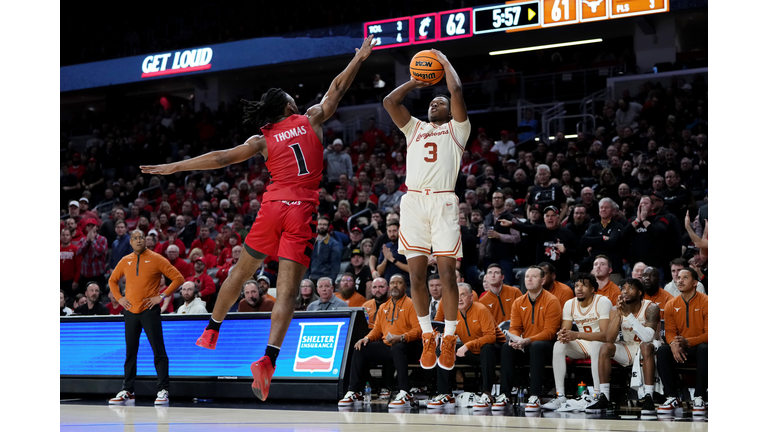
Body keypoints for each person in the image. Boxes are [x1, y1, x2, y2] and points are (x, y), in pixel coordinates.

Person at [140, 35, 376, 402]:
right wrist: (358, 59)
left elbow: (220, 158)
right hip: (302, 208)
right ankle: (268, 360)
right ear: (289, 105)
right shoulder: (312, 118)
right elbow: (337, 88)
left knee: (240, 272)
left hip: (273, 206)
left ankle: (212, 330)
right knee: (287, 291)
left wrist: (175, 167)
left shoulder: (262, 139)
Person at [382, 48, 470, 372]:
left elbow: (455, 89)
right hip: (414, 202)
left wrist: (443, 62)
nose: (435, 104)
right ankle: (427, 335)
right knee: (416, 276)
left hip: (443, 201)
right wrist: (413, 82)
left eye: (440, 103)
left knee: (447, 275)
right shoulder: (414, 128)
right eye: (432, 102)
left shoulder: (458, 130)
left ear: (449, 111)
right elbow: (389, 102)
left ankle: (449, 336)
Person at [108, 229, 185, 406]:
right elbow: (112, 280)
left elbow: (178, 278)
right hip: (130, 311)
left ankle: (163, 390)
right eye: (134, 238)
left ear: (146, 240)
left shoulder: (157, 258)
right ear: (130, 242)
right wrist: (120, 298)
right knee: (130, 352)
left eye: (141, 238)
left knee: (158, 350)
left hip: (149, 310)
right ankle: (128, 390)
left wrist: (162, 296)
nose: (138, 240)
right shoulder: (125, 260)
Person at [338, 274, 422, 409]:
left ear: (405, 287)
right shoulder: (383, 307)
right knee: (361, 348)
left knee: (397, 348)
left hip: (410, 345)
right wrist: (367, 338)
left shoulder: (412, 304)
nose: (395, 285)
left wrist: (401, 337)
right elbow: (377, 330)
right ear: (389, 287)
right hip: (390, 345)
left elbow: (418, 330)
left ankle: (405, 392)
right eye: (393, 283)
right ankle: (355, 391)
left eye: (399, 283)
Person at [585, 278, 660, 414]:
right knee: (605, 347)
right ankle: (604, 397)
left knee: (646, 346)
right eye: (623, 288)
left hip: (650, 348)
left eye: (630, 288)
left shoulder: (651, 307)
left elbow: (648, 338)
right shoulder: (616, 309)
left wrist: (629, 315)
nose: (625, 291)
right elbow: (609, 338)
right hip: (629, 346)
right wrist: (619, 314)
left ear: (640, 292)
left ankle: (649, 397)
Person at [493, 266, 561, 412]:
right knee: (507, 347)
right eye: (527, 277)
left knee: (537, 346)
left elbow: (550, 332)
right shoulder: (518, 302)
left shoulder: (552, 301)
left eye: (534, 277)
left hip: (547, 346)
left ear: (543, 280)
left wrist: (528, 340)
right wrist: (515, 339)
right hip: (526, 344)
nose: (529, 279)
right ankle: (505, 395)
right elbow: (515, 327)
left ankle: (534, 396)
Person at [428, 283, 505, 410]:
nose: (459, 299)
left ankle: (487, 394)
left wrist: (467, 346)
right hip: (473, 352)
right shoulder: (453, 313)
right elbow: (447, 336)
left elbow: (491, 337)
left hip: (495, 351)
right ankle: (445, 394)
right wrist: (449, 348)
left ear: (471, 297)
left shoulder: (481, 309)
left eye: (463, 295)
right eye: (457, 295)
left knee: (487, 348)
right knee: (442, 349)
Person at [542, 273, 612, 411]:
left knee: (596, 345)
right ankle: (560, 395)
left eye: (584, 285)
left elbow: (606, 336)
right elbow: (566, 330)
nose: (579, 289)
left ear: (592, 289)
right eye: (576, 286)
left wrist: (577, 334)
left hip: (603, 345)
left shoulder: (603, 302)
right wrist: (563, 335)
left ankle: (598, 395)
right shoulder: (570, 304)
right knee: (559, 345)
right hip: (583, 344)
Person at [656, 267, 708, 416]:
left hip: (699, 347)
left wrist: (688, 342)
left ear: (695, 283)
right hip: (681, 347)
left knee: (705, 349)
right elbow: (670, 331)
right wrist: (673, 344)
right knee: (663, 351)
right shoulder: (671, 304)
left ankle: (699, 397)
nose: (680, 281)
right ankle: (672, 397)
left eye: (685, 278)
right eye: (678, 278)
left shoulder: (707, 302)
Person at [499, 206, 576, 283]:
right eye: (547, 216)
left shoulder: (567, 233)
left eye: (553, 215)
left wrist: (565, 250)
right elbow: (525, 227)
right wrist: (511, 224)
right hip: (542, 276)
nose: (550, 218)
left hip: (561, 277)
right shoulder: (539, 230)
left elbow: (577, 254)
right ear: (544, 218)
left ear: (558, 218)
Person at [580, 198, 623, 278]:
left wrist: (593, 244)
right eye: (601, 207)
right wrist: (602, 238)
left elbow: (612, 243)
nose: (603, 209)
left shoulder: (618, 226)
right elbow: (584, 240)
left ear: (613, 211)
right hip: (595, 271)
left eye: (606, 208)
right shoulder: (594, 226)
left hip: (613, 271)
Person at [76, 218, 109, 294]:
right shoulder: (83, 240)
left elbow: (99, 252)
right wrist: (87, 242)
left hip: (97, 274)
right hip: (85, 274)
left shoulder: (102, 239)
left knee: (99, 295)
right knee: (84, 295)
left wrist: (93, 241)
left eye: (92, 225)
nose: (90, 227)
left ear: (96, 227)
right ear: (86, 228)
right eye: (88, 226)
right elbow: (78, 253)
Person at [306, 216, 342, 283]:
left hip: (326, 279)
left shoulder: (334, 244)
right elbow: (307, 262)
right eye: (320, 224)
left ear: (328, 227)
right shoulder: (311, 242)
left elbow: (335, 266)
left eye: (324, 225)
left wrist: (331, 281)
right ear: (317, 226)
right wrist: (305, 279)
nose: (322, 226)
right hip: (311, 278)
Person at [375, 220, 410, 287]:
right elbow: (379, 272)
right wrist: (385, 259)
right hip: (388, 286)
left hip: (405, 286)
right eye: (389, 231)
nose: (392, 234)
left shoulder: (406, 246)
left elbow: (411, 269)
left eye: (394, 231)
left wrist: (393, 260)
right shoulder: (385, 247)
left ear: (399, 231)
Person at [60, 228, 81, 298]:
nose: (65, 237)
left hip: (71, 280)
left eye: (67, 235)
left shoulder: (75, 249)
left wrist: (76, 281)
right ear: (60, 236)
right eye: (63, 235)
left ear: (70, 237)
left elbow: (79, 266)